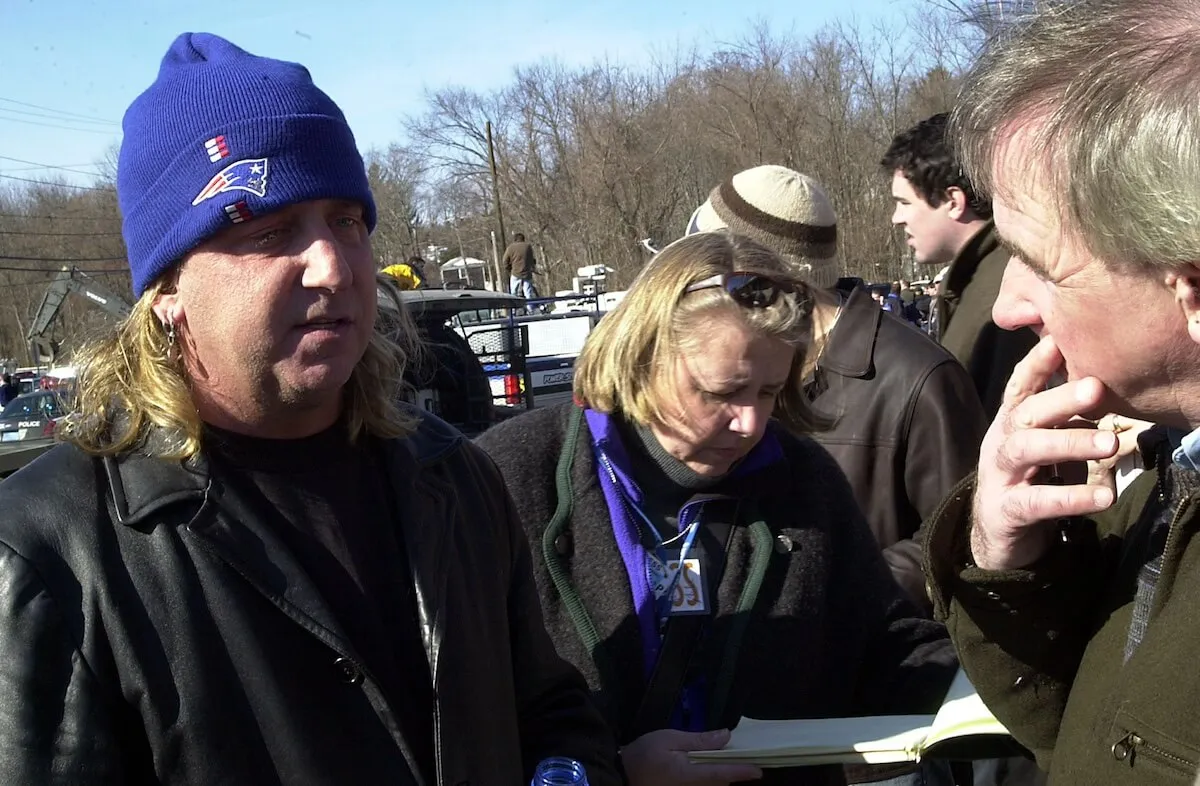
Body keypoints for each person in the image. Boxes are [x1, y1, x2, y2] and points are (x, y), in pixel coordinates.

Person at [0, 33, 620, 785]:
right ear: (166, 290)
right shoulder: (48, 554)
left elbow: (551, 711)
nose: (332, 264)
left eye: (347, 221)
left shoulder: (453, 479)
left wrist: (570, 771)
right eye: (269, 232)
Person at [476, 230, 958, 786]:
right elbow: (460, 713)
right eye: (721, 392)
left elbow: (882, 647)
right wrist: (612, 773)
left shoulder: (802, 478)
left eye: (769, 392)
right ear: (643, 355)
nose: (751, 424)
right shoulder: (507, 476)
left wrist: (984, 683)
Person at [923, 2, 1200, 784]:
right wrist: (1010, 552)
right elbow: (1080, 730)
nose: (1009, 307)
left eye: (1041, 262)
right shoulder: (1158, 462)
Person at [685, 165, 987, 615]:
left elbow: (963, 534)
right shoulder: (735, 359)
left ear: (753, 275)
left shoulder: (919, 378)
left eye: (712, 270)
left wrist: (827, 596)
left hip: (862, 661)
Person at [883, 113, 1038, 419]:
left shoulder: (1001, 293)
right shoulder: (980, 277)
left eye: (904, 202)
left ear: (953, 201)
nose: (896, 218)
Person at [503, 231, 540, 300]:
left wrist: (509, 269)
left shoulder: (510, 248)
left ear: (515, 239)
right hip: (527, 273)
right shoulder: (528, 247)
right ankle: (530, 308)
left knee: (513, 293)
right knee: (528, 293)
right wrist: (532, 267)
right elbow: (531, 259)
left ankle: (514, 309)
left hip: (515, 273)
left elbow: (505, 261)